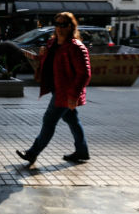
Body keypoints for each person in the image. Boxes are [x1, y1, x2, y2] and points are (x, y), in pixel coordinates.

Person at [16, 12, 92, 166]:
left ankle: (32, 153)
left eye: (63, 24)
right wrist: (41, 56)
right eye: (56, 24)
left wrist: (73, 96)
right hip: (57, 89)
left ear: (70, 26)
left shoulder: (76, 47)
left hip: (66, 93)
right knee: (72, 120)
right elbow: (51, 64)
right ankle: (82, 151)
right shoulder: (52, 44)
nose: (58, 28)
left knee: (49, 121)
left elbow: (84, 74)